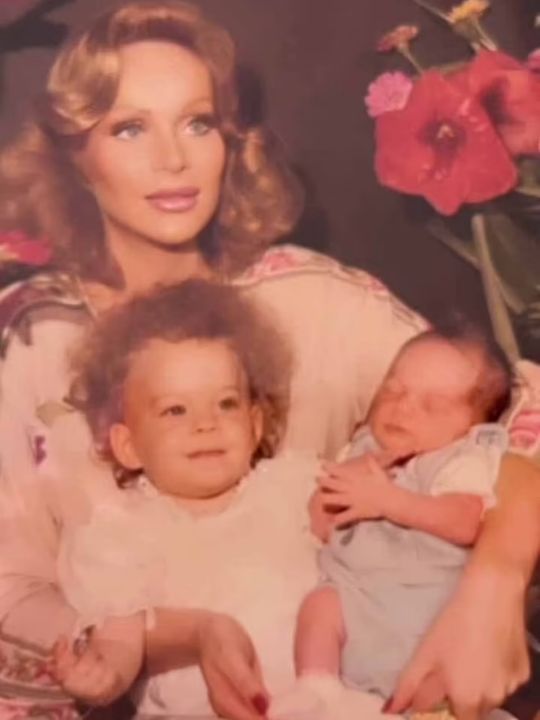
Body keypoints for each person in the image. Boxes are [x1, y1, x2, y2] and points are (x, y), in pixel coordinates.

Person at [0, 2, 537, 719]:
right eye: (130, 128)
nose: (174, 159)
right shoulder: (31, 336)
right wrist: (167, 636)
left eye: (197, 123)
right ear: (76, 158)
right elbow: (9, 586)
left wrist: (495, 584)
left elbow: (519, 411)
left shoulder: (306, 296)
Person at [52, 278, 326, 717]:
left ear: (255, 424)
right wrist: (100, 678)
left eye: (226, 404)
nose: (205, 424)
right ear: (129, 446)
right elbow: (122, 641)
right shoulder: (123, 533)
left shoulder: (293, 489)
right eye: (175, 410)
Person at [271, 327, 514, 719]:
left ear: (474, 424)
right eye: (394, 391)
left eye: (432, 405)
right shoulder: (364, 447)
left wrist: (389, 501)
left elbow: (466, 522)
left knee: (444, 687)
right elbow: (320, 526)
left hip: (423, 613)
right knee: (320, 604)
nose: (402, 408)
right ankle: (318, 689)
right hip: (356, 596)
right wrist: (334, 493)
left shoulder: (461, 459)